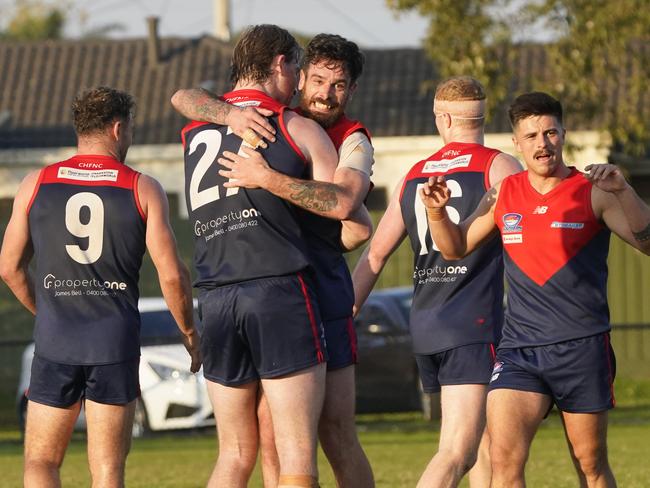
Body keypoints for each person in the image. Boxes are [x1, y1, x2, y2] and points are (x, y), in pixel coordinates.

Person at [172, 33, 375, 488]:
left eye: (338, 85)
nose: (325, 93)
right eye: (318, 79)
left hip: (306, 290)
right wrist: (231, 113)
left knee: (333, 433)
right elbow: (183, 95)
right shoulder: (279, 121)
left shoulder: (352, 138)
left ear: (351, 90)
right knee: (278, 444)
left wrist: (268, 179)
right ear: (294, 73)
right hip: (280, 289)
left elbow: (352, 217)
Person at [421, 91, 650, 487]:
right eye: (531, 136)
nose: (542, 144)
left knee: (590, 466)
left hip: (582, 347)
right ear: (516, 142)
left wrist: (624, 191)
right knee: (504, 464)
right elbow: (454, 247)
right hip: (519, 350)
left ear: (563, 133)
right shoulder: (503, 193)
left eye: (550, 133)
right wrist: (437, 211)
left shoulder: (593, 190)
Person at [0, 86, 201, 488]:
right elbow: (173, 275)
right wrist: (190, 332)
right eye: (128, 131)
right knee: (107, 470)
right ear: (117, 128)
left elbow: (10, 267)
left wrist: (50, 312)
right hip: (113, 342)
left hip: (57, 341)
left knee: (41, 461)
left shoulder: (35, 183)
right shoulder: (141, 187)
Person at [352, 76, 522, 488]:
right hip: (473, 323)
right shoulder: (498, 166)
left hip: (426, 324)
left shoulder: (415, 174)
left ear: (442, 118)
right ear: (482, 115)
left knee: (482, 441)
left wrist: (345, 311)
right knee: (456, 451)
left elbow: (375, 254)